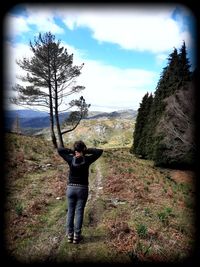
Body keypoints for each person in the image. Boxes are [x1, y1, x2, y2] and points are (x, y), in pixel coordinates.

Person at [57, 140, 103, 244]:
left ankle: (69, 235)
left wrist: (72, 151)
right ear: (83, 149)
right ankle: (76, 236)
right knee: (79, 212)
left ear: (75, 150)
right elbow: (100, 151)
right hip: (82, 189)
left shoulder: (70, 159)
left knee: (70, 211)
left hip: (71, 188)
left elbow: (59, 150)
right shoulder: (87, 159)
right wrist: (86, 151)